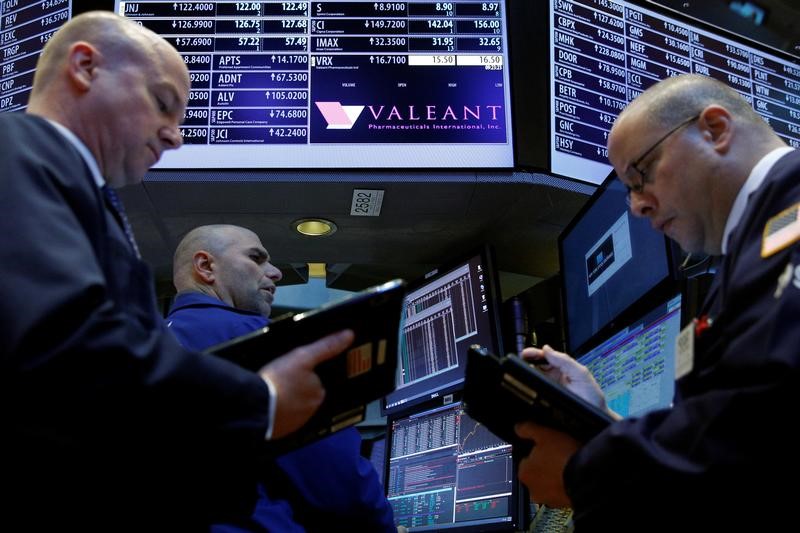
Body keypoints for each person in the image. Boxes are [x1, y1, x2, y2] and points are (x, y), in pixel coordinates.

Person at [1, 12, 353, 531]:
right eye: (164, 103)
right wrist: (265, 399)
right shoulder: (19, 151)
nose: (175, 137)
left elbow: (105, 425)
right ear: (85, 67)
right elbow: (64, 348)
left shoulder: (73, 187)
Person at [514, 74, 799, 530]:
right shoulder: (747, 253)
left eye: (640, 174)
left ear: (715, 129)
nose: (636, 206)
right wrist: (597, 419)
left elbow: (759, 429)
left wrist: (583, 472)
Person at [166, 224, 396, 532]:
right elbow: (333, 474)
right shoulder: (255, 341)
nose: (275, 273)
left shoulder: (152, 344)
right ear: (206, 267)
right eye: (256, 258)